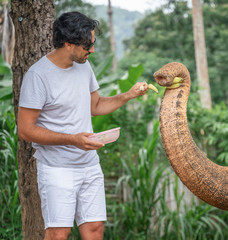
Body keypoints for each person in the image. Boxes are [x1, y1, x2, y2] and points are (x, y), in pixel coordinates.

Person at [17, 11, 148, 240]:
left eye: (93, 43)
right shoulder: (38, 76)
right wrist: (72, 139)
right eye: (88, 46)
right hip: (57, 168)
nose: (93, 51)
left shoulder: (84, 67)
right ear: (68, 44)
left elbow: (95, 105)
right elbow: (26, 129)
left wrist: (128, 95)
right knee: (59, 234)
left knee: (95, 229)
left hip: (89, 165)